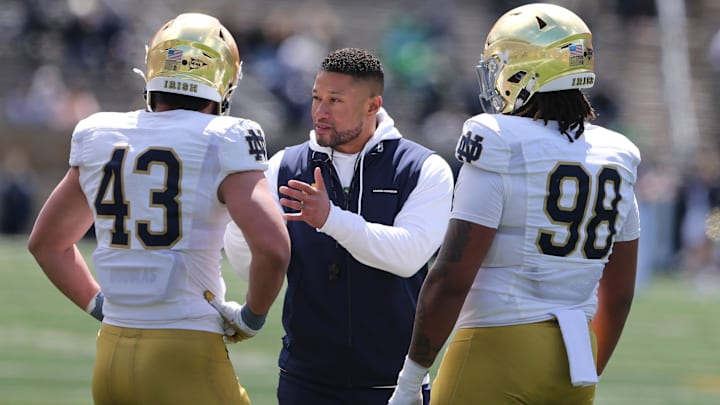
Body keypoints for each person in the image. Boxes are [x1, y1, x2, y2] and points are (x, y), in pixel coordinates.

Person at [27, 12, 290, 405]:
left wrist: (101, 305)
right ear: (225, 80)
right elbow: (273, 248)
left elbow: (47, 244)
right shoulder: (225, 138)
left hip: (111, 355)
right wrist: (251, 318)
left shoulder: (101, 133)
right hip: (185, 354)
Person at [389, 3, 641, 405]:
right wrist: (589, 368)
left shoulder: (498, 138)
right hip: (574, 363)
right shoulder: (617, 152)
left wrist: (408, 383)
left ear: (526, 70)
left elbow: (451, 278)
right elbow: (621, 292)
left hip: (496, 349)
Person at [224, 47, 455, 404]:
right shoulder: (284, 165)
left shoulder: (423, 168)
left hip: (393, 385)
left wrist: (331, 219)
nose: (320, 111)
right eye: (316, 98)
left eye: (335, 100)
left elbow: (408, 254)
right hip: (304, 379)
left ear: (372, 106)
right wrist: (243, 227)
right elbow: (248, 261)